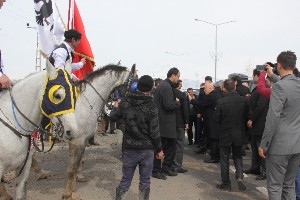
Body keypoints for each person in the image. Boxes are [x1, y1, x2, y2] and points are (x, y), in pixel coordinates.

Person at [110, 75, 163, 200]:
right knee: (145, 181)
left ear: (138, 86)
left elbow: (113, 117)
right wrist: (159, 149)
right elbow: (154, 131)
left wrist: (116, 105)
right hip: (147, 149)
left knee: (125, 179)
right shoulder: (151, 105)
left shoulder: (125, 102)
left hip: (129, 148)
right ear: (150, 88)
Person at [259, 51, 300, 199]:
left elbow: (272, 118)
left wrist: (264, 144)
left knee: (275, 186)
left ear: (279, 65)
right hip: (297, 145)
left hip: (280, 146)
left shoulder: (279, 87)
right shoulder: (296, 84)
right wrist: (272, 75)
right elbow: (288, 84)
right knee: (289, 185)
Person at [215, 79, 249, 191]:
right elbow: (248, 116)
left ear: (224, 88)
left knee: (224, 158)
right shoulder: (243, 101)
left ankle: (226, 183)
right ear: (234, 87)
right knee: (238, 156)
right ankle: (239, 176)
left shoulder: (220, 102)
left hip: (225, 134)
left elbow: (217, 119)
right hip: (239, 133)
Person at [152, 67, 180, 179]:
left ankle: (165, 168)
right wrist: (177, 103)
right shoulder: (166, 87)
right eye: (178, 76)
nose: (178, 79)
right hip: (165, 123)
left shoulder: (165, 85)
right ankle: (156, 170)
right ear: (172, 75)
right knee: (163, 147)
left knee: (169, 147)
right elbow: (168, 105)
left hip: (165, 123)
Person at [244, 69, 269, 180]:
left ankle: (265, 171)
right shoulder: (256, 88)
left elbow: (261, 106)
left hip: (261, 123)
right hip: (256, 124)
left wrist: (252, 119)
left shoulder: (264, 88)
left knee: (260, 147)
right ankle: (255, 167)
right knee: (254, 146)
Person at [172, 80, 189, 173]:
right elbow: (185, 110)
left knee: (171, 144)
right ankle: (177, 165)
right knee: (179, 145)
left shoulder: (167, 93)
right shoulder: (182, 94)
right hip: (179, 123)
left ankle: (169, 164)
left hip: (169, 123)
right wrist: (186, 122)